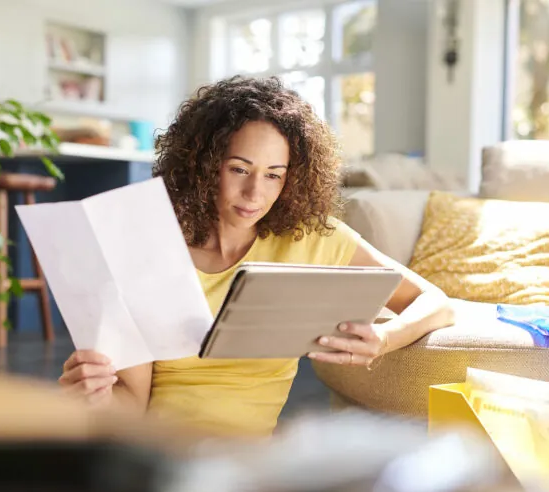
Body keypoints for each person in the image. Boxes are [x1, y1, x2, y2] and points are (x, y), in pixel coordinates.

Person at [59, 76, 454, 437]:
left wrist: (385, 338)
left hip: (245, 470)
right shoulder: (148, 246)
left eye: (273, 175)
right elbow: (132, 403)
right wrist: (97, 396)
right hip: (154, 457)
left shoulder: (312, 238)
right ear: (203, 164)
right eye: (239, 169)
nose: (255, 194)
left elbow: (435, 302)